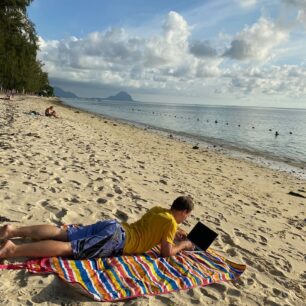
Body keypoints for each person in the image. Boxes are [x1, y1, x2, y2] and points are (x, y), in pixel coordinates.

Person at [0, 196, 194, 259]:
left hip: (113, 226)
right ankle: (13, 249)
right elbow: (166, 253)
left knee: (63, 232)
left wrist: (175, 231)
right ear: (184, 212)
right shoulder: (170, 223)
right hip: (118, 239)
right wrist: (184, 245)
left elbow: (152, 226)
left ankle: (13, 230)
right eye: (187, 216)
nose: (185, 221)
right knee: (70, 248)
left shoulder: (160, 211)